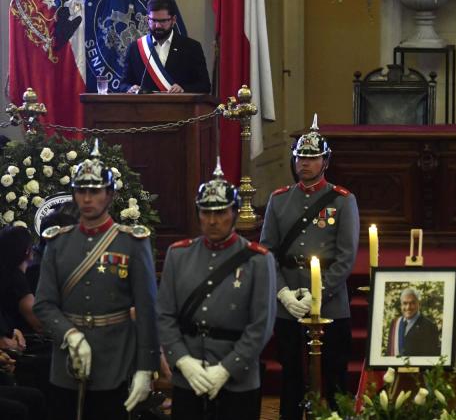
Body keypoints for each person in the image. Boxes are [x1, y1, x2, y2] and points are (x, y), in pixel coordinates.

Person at [32, 140, 159, 420]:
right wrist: (71, 335)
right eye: (81, 191)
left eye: (94, 191)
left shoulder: (131, 242)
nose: (87, 199)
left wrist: (145, 368)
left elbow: (148, 309)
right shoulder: (57, 242)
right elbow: (44, 304)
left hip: (115, 359)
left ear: (110, 194)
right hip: (67, 357)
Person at [157, 162, 276, 420]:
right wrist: (182, 361)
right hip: (190, 375)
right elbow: (164, 315)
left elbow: (261, 326)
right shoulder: (179, 255)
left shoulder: (257, 260)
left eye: (221, 212)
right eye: (206, 212)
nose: (212, 220)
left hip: (238, 377)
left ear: (233, 213)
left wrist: (226, 369)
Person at [260, 114, 359, 420]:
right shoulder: (279, 200)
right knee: (291, 375)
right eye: (301, 158)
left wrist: (318, 295)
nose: (305, 164)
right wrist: (283, 293)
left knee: (334, 376)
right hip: (289, 301)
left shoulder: (343, 201)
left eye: (313, 158)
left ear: (325, 162)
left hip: (330, 304)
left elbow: (346, 256)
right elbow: (267, 252)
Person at [123, 0, 211, 94]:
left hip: (179, 108)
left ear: (173, 20)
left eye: (163, 21)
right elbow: (124, 84)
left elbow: (204, 86)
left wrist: (183, 89)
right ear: (148, 19)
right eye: (154, 21)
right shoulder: (135, 48)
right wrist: (130, 88)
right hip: (142, 108)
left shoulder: (191, 47)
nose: (158, 26)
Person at [0, 227, 42, 334]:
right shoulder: (16, 278)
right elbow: (39, 321)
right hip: (23, 342)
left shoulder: (6, 273)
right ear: (27, 250)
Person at [386, 287, 440, 356]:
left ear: (418, 304)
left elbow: (431, 357)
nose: (408, 307)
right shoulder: (394, 324)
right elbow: (389, 352)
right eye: (405, 303)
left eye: (412, 303)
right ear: (401, 305)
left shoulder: (430, 326)